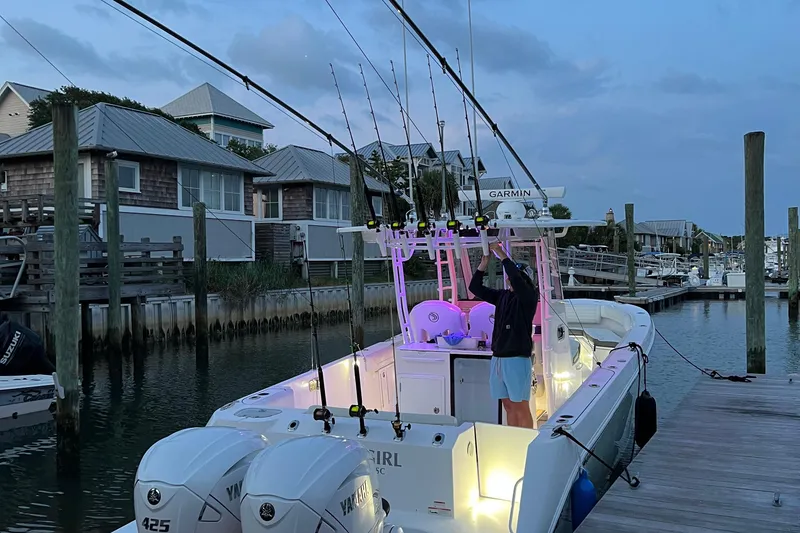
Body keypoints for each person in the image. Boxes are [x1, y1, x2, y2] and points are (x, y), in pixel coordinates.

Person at [468, 242, 539, 429]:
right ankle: (512, 438)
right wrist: (483, 265)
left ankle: (525, 443)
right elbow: (475, 288)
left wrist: (501, 254)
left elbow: (516, 278)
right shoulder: (502, 296)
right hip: (498, 358)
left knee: (520, 405)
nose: (509, 279)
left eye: (514, 277)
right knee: (507, 405)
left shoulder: (529, 297)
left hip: (517, 359)